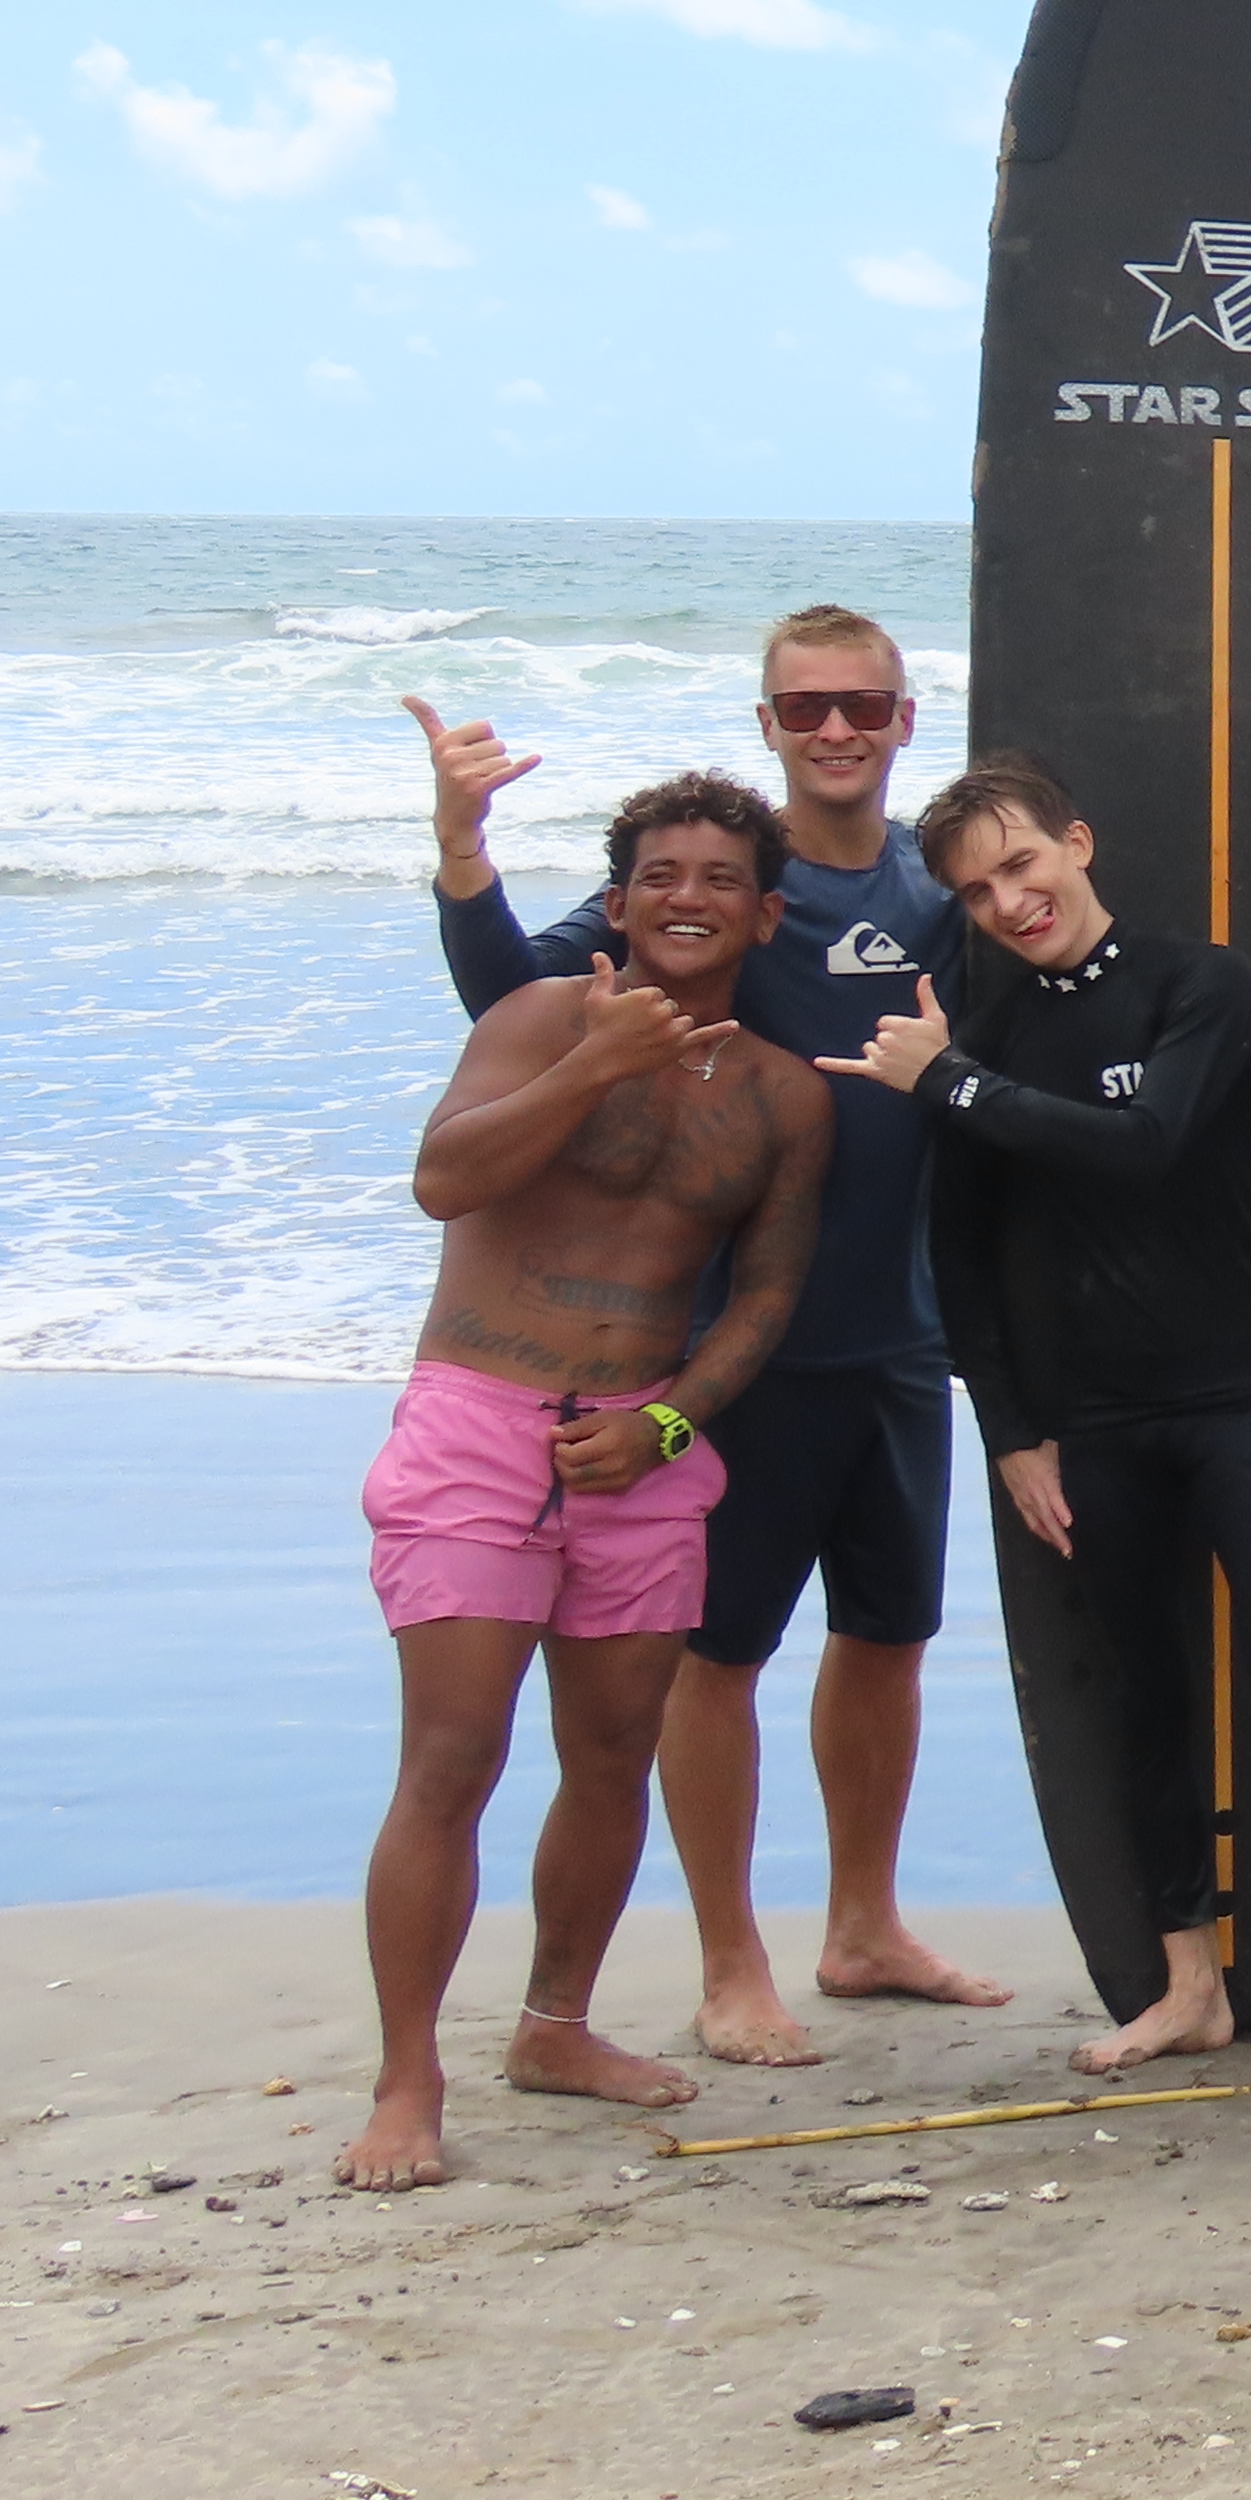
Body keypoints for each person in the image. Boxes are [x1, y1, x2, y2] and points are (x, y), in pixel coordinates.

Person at [409, 609, 1014, 2062]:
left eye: (862, 705)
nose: (836, 729)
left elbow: (1085, 952)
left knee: (889, 1635)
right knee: (720, 1654)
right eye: (805, 708)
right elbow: (515, 996)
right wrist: (464, 856)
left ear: (907, 719)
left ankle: (863, 1927)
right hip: (736, 1349)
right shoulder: (718, 876)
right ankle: (731, 1962)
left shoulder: (938, 889)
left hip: (900, 1333)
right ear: (767, 724)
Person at [833, 757, 1251, 2106]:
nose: (1009, 901)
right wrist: (1013, 1432)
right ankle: (1188, 1988)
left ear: (1077, 844)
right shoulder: (990, 1032)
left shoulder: (1204, 987)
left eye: (1022, 863)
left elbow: (1151, 1142)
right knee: (1146, 1698)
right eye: (977, 891)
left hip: (1244, 1398)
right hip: (1099, 1418)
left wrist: (948, 1085)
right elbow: (963, 1258)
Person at [342, 773, 831, 2189]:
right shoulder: (541, 1018)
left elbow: (764, 1299)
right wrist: (594, 1066)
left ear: (765, 914)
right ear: (616, 904)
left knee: (613, 1756)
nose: (689, 897)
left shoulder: (784, 1096)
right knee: (452, 1760)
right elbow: (443, 1180)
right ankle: (407, 2081)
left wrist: (668, 1425)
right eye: (662, 874)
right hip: (480, 1423)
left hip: (640, 1446)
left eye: (721, 878)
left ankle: (555, 2028)